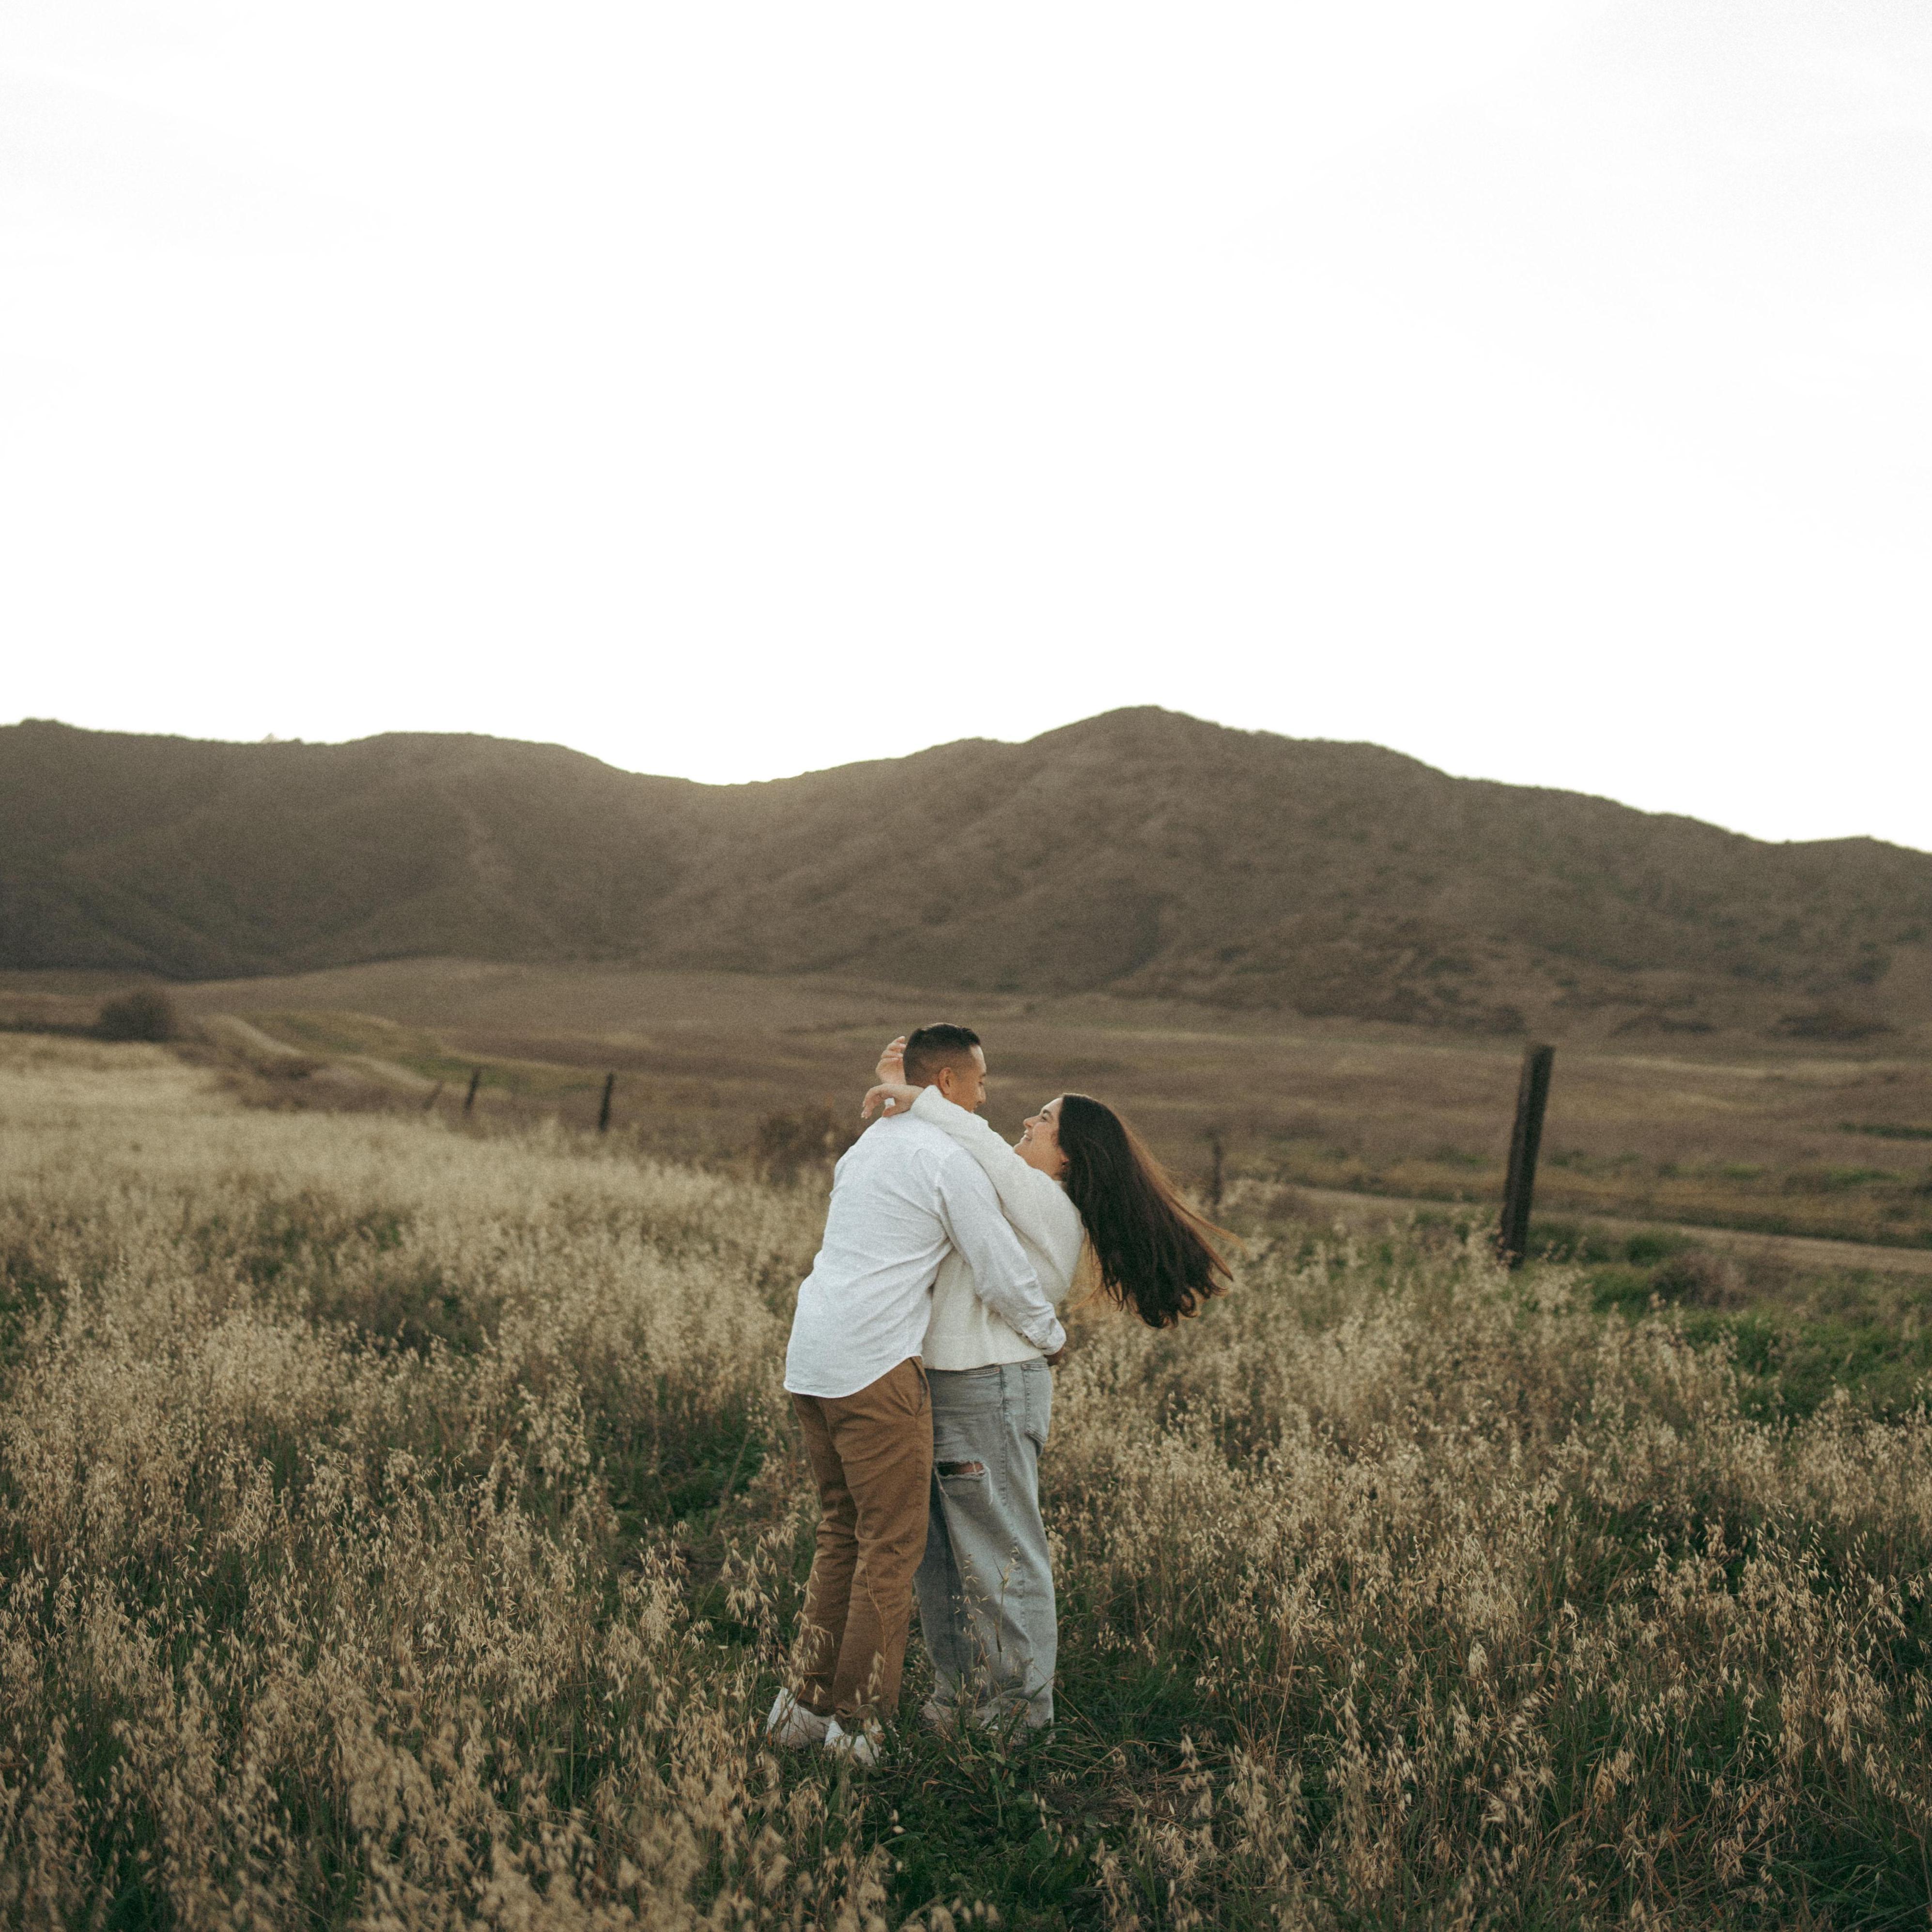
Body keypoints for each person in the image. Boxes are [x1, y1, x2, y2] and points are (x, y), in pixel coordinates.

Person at [862, 1035, 1235, 1733]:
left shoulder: (1044, 1198)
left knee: (1000, 1553)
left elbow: (976, 1140)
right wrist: (901, 1087)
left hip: (991, 1389)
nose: (1027, 1123)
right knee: (942, 1557)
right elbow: (948, 1150)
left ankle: (1018, 1715)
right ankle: (959, 1700)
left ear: (1069, 1155)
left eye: (1045, 1119)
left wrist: (921, 1095)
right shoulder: (1014, 1192)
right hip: (947, 1387)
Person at [767, 1023, 1066, 1766]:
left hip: (811, 1358)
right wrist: (1050, 1335)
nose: (986, 1098)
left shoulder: (868, 1145)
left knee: (841, 1533)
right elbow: (998, 1268)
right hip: (874, 1367)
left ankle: (801, 1710)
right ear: (947, 1084)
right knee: (890, 1549)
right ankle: (856, 1730)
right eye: (979, 1082)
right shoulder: (944, 1158)